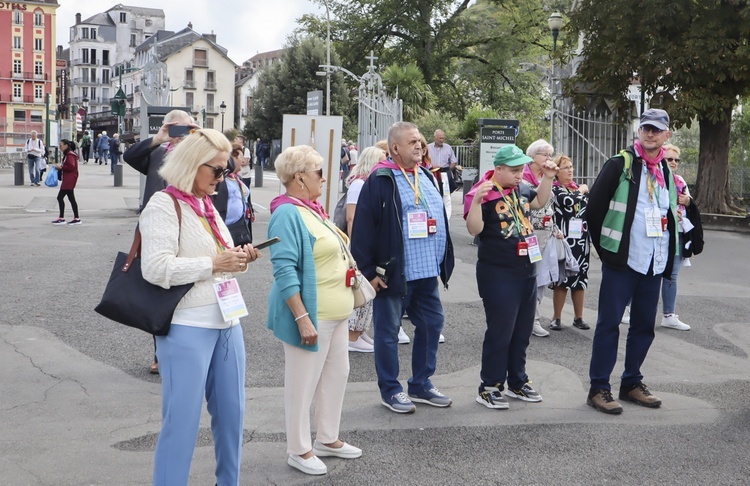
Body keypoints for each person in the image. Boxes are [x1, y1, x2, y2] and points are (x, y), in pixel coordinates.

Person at [140, 128, 261, 485]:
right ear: (193, 165)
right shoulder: (164, 204)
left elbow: (216, 259)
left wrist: (237, 258)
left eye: (228, 170)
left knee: (232, 416)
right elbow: (156, 268)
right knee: (182, 422)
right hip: (186, 327)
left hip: (227, 321)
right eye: (218, 170)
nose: (224, 179)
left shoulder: (207, 206)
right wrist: (215, 264)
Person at [267, 145, 362, 476]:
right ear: (300, 177)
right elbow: (284, 271)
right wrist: (302, 317)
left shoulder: (312, 209)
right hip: (313, 314)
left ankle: (327, 437)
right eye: (320, 172)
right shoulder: (287, 213)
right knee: (302, 383)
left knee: (337, 375)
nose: (326, 177)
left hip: (336, 313)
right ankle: (298, 448)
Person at [351, 121, 454, 414]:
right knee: (388, 332)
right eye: (412, 142)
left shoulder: (424, 174)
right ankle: (391, 390)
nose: (420, 145)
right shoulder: (381, 179)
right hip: (394, 274)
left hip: (426, 273)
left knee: (432, 323)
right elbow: (362, 230)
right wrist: (370, 273)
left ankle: (421, 383)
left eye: (420, 140)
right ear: (395, 148)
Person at [585, 108, 679, 415]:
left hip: (653, 261)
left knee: (643, 326)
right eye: (645, 128)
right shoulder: (620, 164)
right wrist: (606, 251)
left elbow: (668, 215)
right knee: (609, 325)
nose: (649, 134)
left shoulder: (665, 171)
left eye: (656, 130)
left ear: (666, 135)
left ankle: (631, 383)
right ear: (639, 132)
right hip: (623, 261)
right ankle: (599, 387)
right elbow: (594, 209)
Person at [465, 144, 557, 409]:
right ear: (499, 169)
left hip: (526, 270)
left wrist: (548, 178)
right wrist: (479, 202)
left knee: (522, 331)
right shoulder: (482, 192)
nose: (520, 175)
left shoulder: (519, 189)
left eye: (521, 169)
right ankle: (489, 386)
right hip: (498, 273)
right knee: (501, 331)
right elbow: (475, 229)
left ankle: (518, 381)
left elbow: (539, 201)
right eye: (514, 170)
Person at [123, 109, 199, 374]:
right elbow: (129, 156)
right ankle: (160, 353)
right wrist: (159, 138)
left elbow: (229, 167)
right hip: (154, 230)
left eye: (186, 129)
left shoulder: (199, 156)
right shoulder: (156, 153)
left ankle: (186, 349)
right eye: (175, 129)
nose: (180, 135)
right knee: (157, 290)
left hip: (189, 228)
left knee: (187, 290)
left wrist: (200, 138)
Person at [344, 146, 386, 353]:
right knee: (360, 289)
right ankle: (352, 335)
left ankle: (359, 332)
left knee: (367, 291)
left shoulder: (366, 182)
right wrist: (356, 249)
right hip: (358, 247)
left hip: (365, 244)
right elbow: (351, 218)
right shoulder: (359, 184)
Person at [548, 154, 591, 331]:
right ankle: (556, 317)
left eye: (571, 166)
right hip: (563, 240)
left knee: (580, 280)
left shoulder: (575, 189)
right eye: (566, 167)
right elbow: (568, 202)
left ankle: (578, 317)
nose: (570, 170)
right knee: (562, 279)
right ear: (557, 172)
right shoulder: (556, 190)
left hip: (581, 240)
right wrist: (581, 191)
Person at [522, 139, 557, 338]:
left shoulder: (548, 177)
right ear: (532, 157)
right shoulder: (522, 177)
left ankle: (533, 318)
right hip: (528, 234)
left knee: (542, 278)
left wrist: (556, 228)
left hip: (547, 232)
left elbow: (551, 207)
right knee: (529, 276)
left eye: (550, 154)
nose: (548, 158)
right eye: (544, 154)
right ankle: (527, 318)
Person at [659, 143, 692, 331]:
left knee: (672, 275)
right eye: (669, 159)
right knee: (649, 272)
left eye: (676, 160)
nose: (673, 162)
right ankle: (628, 310)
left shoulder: (680, 181)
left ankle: (669, 315)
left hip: (678, 231)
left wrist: (688, 201)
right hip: (659, 231)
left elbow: (689, 205)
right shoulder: (655, 178)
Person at [212, 144, 254, 246]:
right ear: (231, 158)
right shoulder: (221, 180)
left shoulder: (238, 179)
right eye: (240, 157)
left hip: (242, 227)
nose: (243, 160)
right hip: (227, 228)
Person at [426, 129, 458, 220]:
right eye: (440, 138)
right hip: (432, 173)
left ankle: (446, 219)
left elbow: (453, 161)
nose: (441, 140)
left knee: (446, 197)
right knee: (433, 194)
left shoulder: (448, 147)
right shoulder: (428, 148)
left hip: (444, 173)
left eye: (443, 138)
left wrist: (449, 170)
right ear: (435, 137)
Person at [51, 139, 81, 226]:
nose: (60, 147)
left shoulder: (70, 155)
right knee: (71, 199)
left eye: (61, 145)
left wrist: (61, 168)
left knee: (60, 197)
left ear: (66, 146)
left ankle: (62, 218)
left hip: (69, 179)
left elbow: (71, 166)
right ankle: (76, 217)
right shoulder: (68, 154)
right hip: (69, 179)